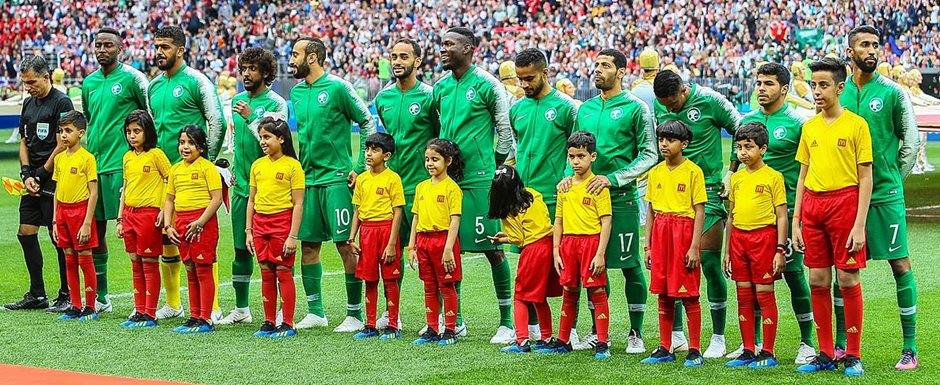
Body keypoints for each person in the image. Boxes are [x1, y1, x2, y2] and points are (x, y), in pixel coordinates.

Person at [566, 48, 657, 353]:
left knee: (630, 265)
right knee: (593, 268)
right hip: (586, 202)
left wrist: (614, 178)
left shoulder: (635, 108)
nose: (598, 70)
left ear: (621, 72)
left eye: (605, 66)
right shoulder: (586, 109)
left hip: (622, 199)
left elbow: (649, 153)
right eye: (596, 65)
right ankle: (596, 330)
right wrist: (569, 175)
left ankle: (635, 332)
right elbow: (575, 149)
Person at [840, 25, 920, 370]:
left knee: (900, 264)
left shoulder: (893, 92)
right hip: (844, 197)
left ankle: (910, 347)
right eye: (864, 45)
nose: (872, 50)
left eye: (875, 45)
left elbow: (911, 142)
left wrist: (891, 182)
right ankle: (842, 345)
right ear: (850, 52)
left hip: (885, 196)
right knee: (842, 270)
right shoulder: (837, 93)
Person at [431, 27, 515, 343]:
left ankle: (507, 322)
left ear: (468, 49)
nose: (442, 48)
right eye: (442, 43)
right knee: (447, 248)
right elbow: (436, 127)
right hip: (446, 180)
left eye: (449, 44)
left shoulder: (488, 84)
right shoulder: (439, 88)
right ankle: (455, 319)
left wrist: (490, 163)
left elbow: (504, 129)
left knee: (493, 248)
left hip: (479, 180)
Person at [288, 36, 377, 331]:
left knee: (345, 244)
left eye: (296, 54)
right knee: (308, 246)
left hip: (337, 179)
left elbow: (366, 121)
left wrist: (359, 167)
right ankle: (316, 311)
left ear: (312, 57)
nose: (291, 59)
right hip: (309, 180)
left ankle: (354, 314)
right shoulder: (298, 92)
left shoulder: (338, 87)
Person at [731, 63, 816, 364]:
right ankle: (751, 344)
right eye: (758, 83)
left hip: (787, 212)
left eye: (768, 83)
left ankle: (807, 341)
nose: (761, 88)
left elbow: (810, 167)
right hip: (750, 218)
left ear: (784, 88)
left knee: (793, 275)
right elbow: (734, 167)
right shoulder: (748, 121)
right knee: (750, 282)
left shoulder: (797, 123)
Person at [654, 69, 741, 358]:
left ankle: (718, 336)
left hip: (709, 194)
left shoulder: (711, 101)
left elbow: (741, 131)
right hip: (672, 197)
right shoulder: (662, 106)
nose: (669, 109)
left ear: (683, 89)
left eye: (673, 103)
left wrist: (731, 172)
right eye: (664, 105)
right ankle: (675, 336)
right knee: (671, 264)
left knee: (707, 261)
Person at [793, 57, 872, 377]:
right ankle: (825, 352)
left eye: (824, 85)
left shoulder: (856, 125)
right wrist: (797, 219)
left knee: (848, 278)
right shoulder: (809, 126)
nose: (817, 91)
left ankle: (852, 353)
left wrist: (860, 224)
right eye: (814, 85)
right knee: (817, 279)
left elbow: (865, 177)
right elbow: (802, 174)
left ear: (840, 87)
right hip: (813, 206)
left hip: (844, 205)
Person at [148, 26, 226, 321]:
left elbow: (216, 120)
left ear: (180, 50)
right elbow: (153, 129)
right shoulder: (154, 87)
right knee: (169, 236)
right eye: (157, 46)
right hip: (166, 175)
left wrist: (208, 161)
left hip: (195, 175)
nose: (159, 52)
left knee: (201, 238)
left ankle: (213, 306)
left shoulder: (197, 81)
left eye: (165, 47)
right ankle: (173, 303)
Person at [510, 47, 581, 344]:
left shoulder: (566, 107)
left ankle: (571, 330)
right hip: (525, 203)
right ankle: (538, 330)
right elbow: (517, 148)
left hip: (555, 200)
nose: (524, 84)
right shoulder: (517, 108)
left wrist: (565, 180)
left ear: (546, 73)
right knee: (530, 271)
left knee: (565, 269)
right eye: (520, 79)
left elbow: (578, 148)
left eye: (530, 78)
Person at [81, 27, 151, 313]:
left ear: (120, 48)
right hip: (94, 166)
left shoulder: (133, 78)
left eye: (108, 45)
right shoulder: (88, 83)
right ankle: (102, 297)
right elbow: (89, 117)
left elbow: (150, 114)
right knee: (95, 233)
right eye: (98, 45)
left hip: (123, 165)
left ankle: (144, 302)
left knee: (134, 233)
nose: (102, 50)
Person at [218, 47, 289, 326]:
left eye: (252, 69)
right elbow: (236, 141)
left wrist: (250, 117)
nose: (246, 74)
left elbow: (274, 141)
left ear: (265, 72)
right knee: (239, 249)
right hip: (242, 188)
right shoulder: (236, 100)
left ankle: (283, 310)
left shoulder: (276, 102)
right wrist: (233, 168)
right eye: (243, 68)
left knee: (276, 255)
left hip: (271, 190)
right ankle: (241, 308)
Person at [372, 38, 438, 330]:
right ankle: (392, 314)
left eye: (404, 56)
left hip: (423, 186)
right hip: (391, 189)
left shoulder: (429, 96)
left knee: (433, 256)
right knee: (391, 254)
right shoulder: (382, 99)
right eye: (393, 56)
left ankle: (450, 319)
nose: (397, 61)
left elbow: (439, 139)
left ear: (417, 61)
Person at [537, 131, 613, 360]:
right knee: (569, 290)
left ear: (593, 156)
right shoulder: (565, 187)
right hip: (568, 244)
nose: (576, 161)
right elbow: (558, 220)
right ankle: (563, 340)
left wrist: (600, 254)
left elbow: (606, 221)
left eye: (581, 156)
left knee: (597, 291)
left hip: (590, 242)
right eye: (572, 157)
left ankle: (602, 342)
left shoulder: (598, 186)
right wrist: (556, 250)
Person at [4, 55, 72, 313]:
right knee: (25, 232)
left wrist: (41, 175)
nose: (28, 87)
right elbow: (24, 141)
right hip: (31, 179)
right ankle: (37, 294)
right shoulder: (28, 104)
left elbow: (62, 142)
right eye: (25, 83)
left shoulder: (61, 102)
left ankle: (66, 294)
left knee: (58, 238)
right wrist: (25, 173)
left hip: (53, 179)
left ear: (46, 77)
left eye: (32, 82)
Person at [639, 120, 707, 368]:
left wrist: (694, 246)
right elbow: (651, 211)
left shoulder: (693, 172)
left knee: (689, 294)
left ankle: (695, 349)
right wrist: (648, 246)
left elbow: (700, 211)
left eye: (670, 140)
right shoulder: (655, 172)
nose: (664, 144)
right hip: (661, 234)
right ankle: (665, 347)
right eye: (661, 140)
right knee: (664, 294)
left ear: (684, 144)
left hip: (683, 232)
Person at [723, 122, 788, 369]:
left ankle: (768, 352)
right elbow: (731, 216)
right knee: (743, 296)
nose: (742, 153)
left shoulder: (773, 177)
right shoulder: (737, 179)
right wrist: (727, 250)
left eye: (748, 147)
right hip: (739, 240)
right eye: (739, 147)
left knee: (764, 294)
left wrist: (780, 249)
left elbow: (781, 215)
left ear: (763, 149)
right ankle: (748, 349)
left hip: (764, 239)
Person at [488, 165, 562, 353]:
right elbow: (536, 225)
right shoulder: (533, 194)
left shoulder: (508, 209)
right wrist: (506, 236)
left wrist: (505, 237)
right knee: (539, 297)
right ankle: (546, 338)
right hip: (549, 244)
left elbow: (520, 239)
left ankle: (521, 340)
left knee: (521, 296)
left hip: (533, 251)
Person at [246, 117, 304, 339]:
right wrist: (249, 231)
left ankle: (288, 323)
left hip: (282, 223)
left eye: (267, 137)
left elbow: (298, 203)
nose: (262, 141)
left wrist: (292, 236)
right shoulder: (257, 165)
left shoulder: (292, 166)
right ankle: (269, 321)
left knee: (283, 271)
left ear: (281, 139)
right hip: (260, 224)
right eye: (261, 137)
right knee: (266, 273)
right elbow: (252, 200)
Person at [162, 125, 224, 334]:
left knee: (203, 269)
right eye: (181, 142)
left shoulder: (207, 168)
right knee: (189, 269)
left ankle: (206, 318)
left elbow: (216, 199)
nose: (185, 147)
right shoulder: (175, 169)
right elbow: (169, 199)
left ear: (201, 146)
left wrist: (200, 222)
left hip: (202, 224)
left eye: (190, 143)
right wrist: (168, 226)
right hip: (181, 224)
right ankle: (194, 315)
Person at [116, 110, 171, 329]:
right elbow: (126, 186)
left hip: (149, 215)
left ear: (147, 132)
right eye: (129, 132)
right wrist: (120, 217)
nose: (132, 136)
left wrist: (163, 210)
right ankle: (139, 310)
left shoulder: (156, 154)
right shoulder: (128, 157)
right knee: (135, 263)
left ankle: (150, 313)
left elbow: (169, 180)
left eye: (137, 131)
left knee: (149, 263)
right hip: (129, 213)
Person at [349, 133, 405, 341]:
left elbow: (398, 211)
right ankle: (370, 324)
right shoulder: (362, 179)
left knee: (390, 279)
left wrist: (392, 243)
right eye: (367, 149)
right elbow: (357, 209)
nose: (369, 154)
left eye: (375, 150)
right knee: (370, 279)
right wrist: (352, 237)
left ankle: (392, 324)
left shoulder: (393, 179)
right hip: (367, 232)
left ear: (387, 155)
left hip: (386, 230)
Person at [409, 139, 464, 347]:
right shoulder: (421, 187)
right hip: (423, 241)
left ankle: (450, 330)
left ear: (448, 161)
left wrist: (449, 248)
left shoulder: (452, 188)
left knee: (447, 286)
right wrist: (412, 246)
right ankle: (432, 328)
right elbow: (415, 217)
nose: (430, 164)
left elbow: (455, 219)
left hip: (443, 241)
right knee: (429, 286)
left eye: (435, 159)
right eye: (427, 159)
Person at [51, 111, 100, 322]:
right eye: (61, 131)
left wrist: (87, 222)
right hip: (62, 212)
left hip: (80, 213)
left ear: (80, 133)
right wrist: (54, 219)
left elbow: (94, 192)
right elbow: (57, 190)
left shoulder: (87, 159)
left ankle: (90, 306)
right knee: (69, 259)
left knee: (85, 259)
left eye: (68, 131)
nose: (63, 135)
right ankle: (75, 304)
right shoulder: (60, 159)